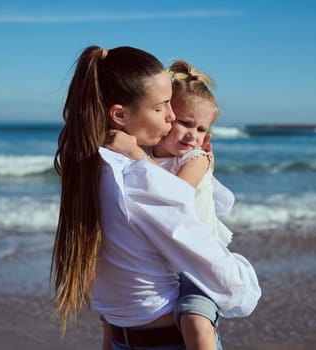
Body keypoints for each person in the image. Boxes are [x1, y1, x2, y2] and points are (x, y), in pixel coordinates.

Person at [52, 45, 261, 350]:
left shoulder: (86, 165)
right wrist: (246, 277)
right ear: (120, 115)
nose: (172, 116)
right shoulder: (139, 180)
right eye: (162, 106)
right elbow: (230, 285)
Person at [106, 60, 246, 349]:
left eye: (201, 129)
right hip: (168, 263)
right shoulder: (146, 153)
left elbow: (174, 193)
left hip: (197, 262)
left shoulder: (196, 159)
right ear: (167, 117)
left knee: (196, 321)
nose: (191, 134)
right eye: (183, 122)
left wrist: (132, 152)